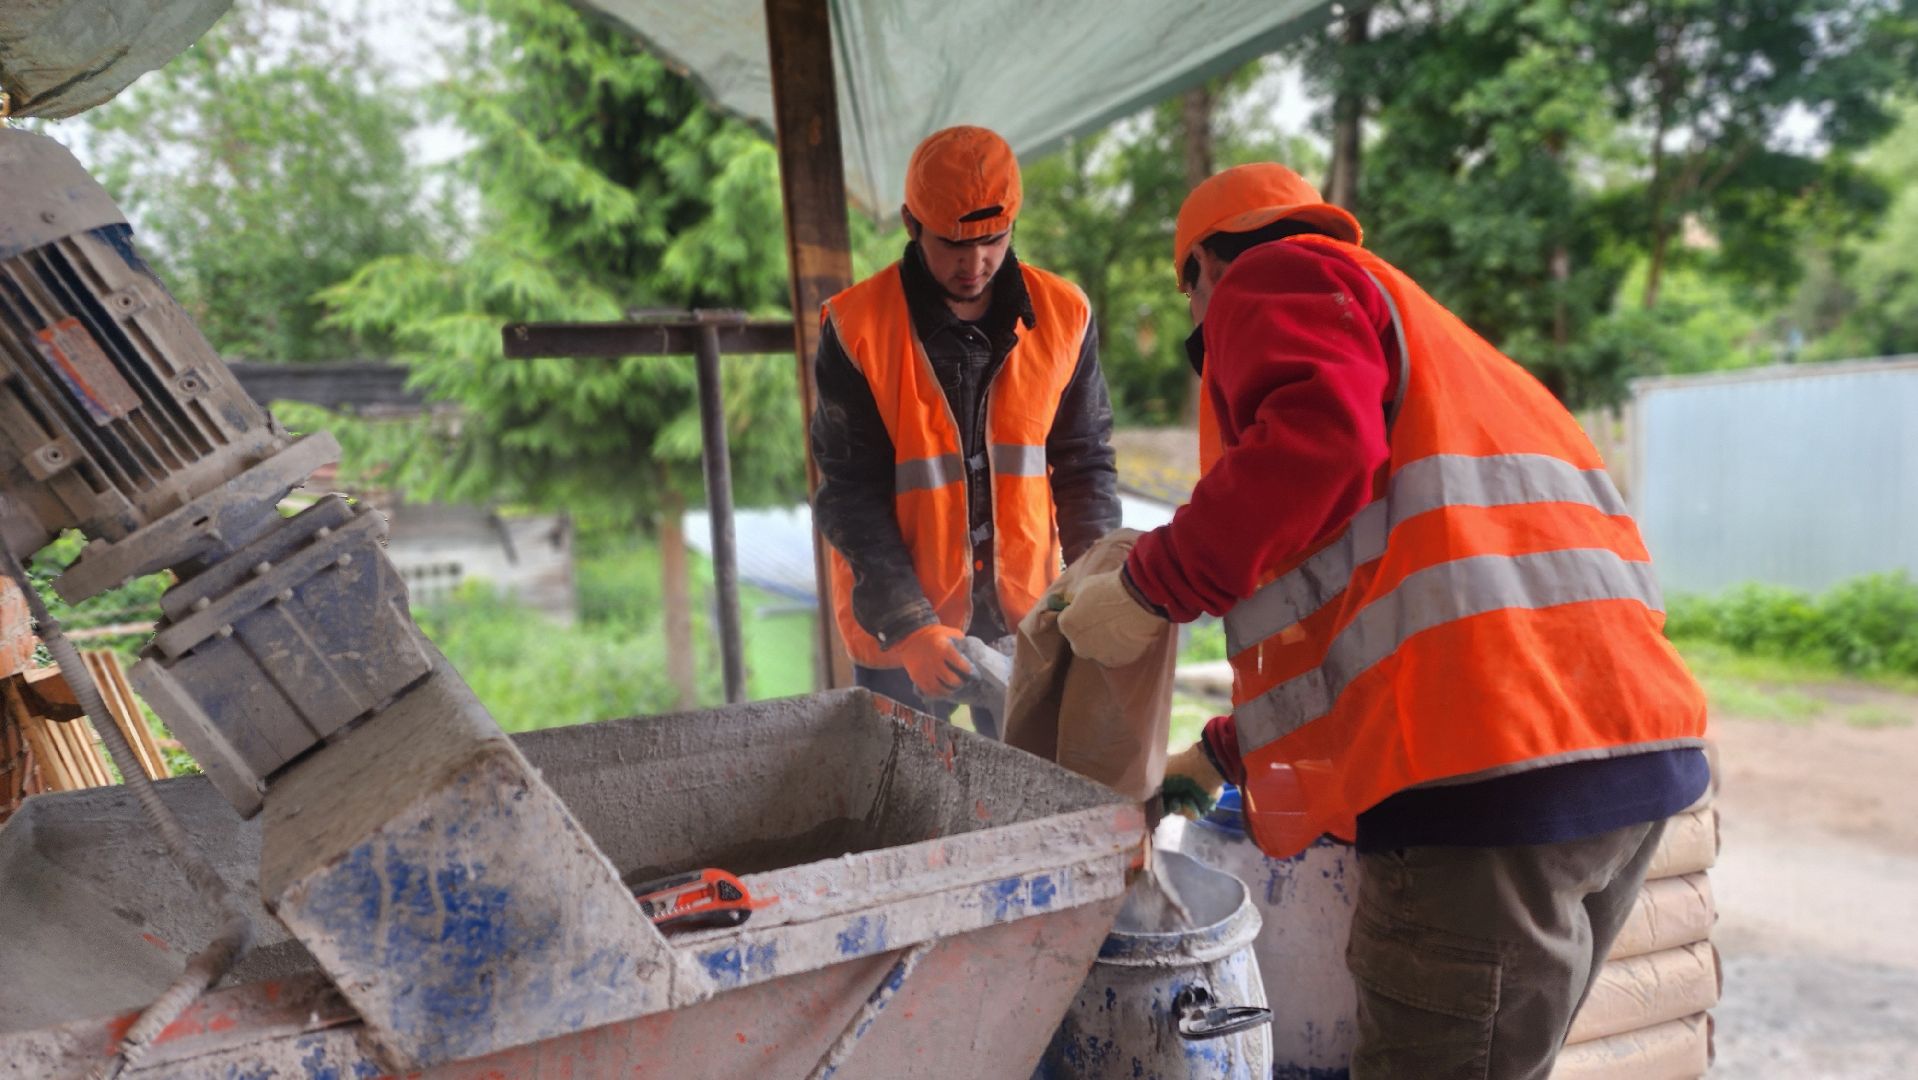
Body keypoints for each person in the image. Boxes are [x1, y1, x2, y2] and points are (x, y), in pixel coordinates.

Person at [1057, 162, 1711, 1078]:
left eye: (1191, 306)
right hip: (1628, 766)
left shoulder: (1274, 279)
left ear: (1205, 265)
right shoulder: (1443, 348)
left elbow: (1318, 446)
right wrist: (1223, 753)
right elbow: (1409, 628)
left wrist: (1150, 587)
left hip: (1483, 792)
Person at [810, 125, 1120, 737]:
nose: (974, 264)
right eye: (954, 244)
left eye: (994, 241)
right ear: (910, 223)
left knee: (1028, 803)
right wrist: (909, 626)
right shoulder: (856, 327)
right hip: (903, 633)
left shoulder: (1066, 317)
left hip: (1025, 621)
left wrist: (1098, 592)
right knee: (896, 803)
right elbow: (849, 492)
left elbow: (1085, 466)